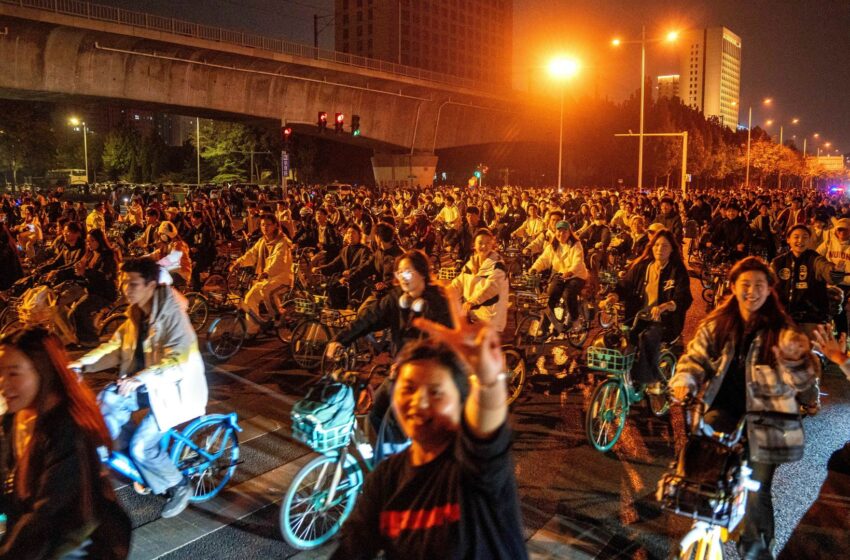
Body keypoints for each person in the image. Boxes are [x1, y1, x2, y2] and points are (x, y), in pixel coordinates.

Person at [331, 292, 528, 559]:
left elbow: (487, 436)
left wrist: (487, 381)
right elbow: (353, 546)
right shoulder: (386, 478)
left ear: (460, 401)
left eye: (435, 392)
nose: (418, 402)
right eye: (409, 388)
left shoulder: (474, 467)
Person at [670, 257, 819, 560]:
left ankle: (757, 551)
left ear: (769, 290)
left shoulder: (782, 331)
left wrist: (809, 397)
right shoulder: (717, 324)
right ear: (734, 287)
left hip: (769, 421)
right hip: (724, 411)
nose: (752, 291)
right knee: (701, 468)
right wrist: (685, 379)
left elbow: (802, 374)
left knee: (754, 491)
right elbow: (695, 356)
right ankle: (705, 525)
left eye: (759, 285)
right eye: (745, 284)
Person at [69, 257, 208, 520]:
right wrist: (81, 365)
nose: (125, 289)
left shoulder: (173, 316)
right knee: (106, 404)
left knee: (142, 447)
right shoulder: (136, 314)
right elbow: (115, 347)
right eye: (124, 283)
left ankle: (178, 485)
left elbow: (179, 360)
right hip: (145, 384)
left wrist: (141, 378)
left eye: (132, 283)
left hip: (173, 391)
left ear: (152, 285)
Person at [0, 327, 131, 558]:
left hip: (71, 546)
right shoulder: (16, 417)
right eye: (0, 372)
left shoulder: (69, 431)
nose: (3, 384)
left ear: (43, 370)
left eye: (13, 373)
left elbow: (47, 513)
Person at [601, 229, 692, 390]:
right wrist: (613, 296)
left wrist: (667, 305)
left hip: (665, 322)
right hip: (637, 318)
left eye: (664, 246)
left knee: (647, 337)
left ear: (672, 248)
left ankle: (646, 380)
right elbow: (625, 285)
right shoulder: (642, 266)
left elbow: (683, 297)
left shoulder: (677, 270)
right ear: (651, 247)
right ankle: (624, 374)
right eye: (656, 245)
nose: (659, 249)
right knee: (614, 338)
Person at [231, 213, 292, 335]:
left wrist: (266, 272)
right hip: (266, 278)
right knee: (249, 297)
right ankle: (252, 329)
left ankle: (280, 315)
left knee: (267, 290)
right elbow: (251, 254)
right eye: (263, 225)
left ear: (275, 225)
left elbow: (278, 260)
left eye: (268, 225)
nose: (265, 227)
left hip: (282, 278)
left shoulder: (282, 242)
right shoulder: (262, 241)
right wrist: (237, 263)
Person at [770, 224, 836, 339]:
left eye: (805, 237)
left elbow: (826, 269)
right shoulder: (778, 262)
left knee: (809, 355)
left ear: (810, 240)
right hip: (784, 319)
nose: (800, 240)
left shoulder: (815, 259)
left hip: (811, 320)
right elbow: (769, 288)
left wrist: (834, 272)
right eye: (796, 237)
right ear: (788, 239)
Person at [529, 220, 589, 333]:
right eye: (559, 231)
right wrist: (534, 268)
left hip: (577, 276)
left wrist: (570, 272)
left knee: (568, 294)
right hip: (560, 275)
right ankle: (544, 329)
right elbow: (544, 259)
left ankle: (575, 320)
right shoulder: (553, 246)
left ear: (569, 233)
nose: (561, 234)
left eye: (564, 232)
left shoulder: (576, 245)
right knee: (549, 297)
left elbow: (578, 261)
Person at [450, 228, 510, 334]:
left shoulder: (498, 265)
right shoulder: (471, 263)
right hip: (472, 315)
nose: (484, 246)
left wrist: (472, 302)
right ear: (474, 245)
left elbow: (490, 287)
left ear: (492, 245)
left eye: (487, 243)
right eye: (480, 243)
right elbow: (458, 282)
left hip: (490, 318)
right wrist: (444, 291)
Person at [71, 228, 120, 346]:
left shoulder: (107, 256)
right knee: (71, 311)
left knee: (79, 310)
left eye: (92, 241)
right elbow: (78, 267)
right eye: (88, 241)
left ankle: (90, 339)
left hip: (104, 293)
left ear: (100, 240)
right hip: (91, 290)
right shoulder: (90, 255)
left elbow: (103, 275)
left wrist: (85, 272)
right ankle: (80, 337)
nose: (89, 244)